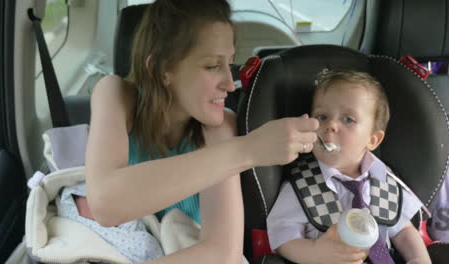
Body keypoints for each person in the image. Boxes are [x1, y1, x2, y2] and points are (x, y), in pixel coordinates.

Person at [84, 0, 319, 263]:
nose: (230, 85)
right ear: (162, 70)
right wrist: (249, 149)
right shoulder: (115, 94)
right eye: (212, 66)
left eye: (229, 64)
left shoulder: (219, 129)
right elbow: (105, 204)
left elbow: (222, 254)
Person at [267, 71, 431, 264]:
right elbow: (283, 237)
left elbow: (403, 231)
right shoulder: (302, 184)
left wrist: (418, 258)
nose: (331, 125)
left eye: (348, 119)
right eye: (322, 116)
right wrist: (315, 252)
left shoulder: (385, 180)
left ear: (372, 139)